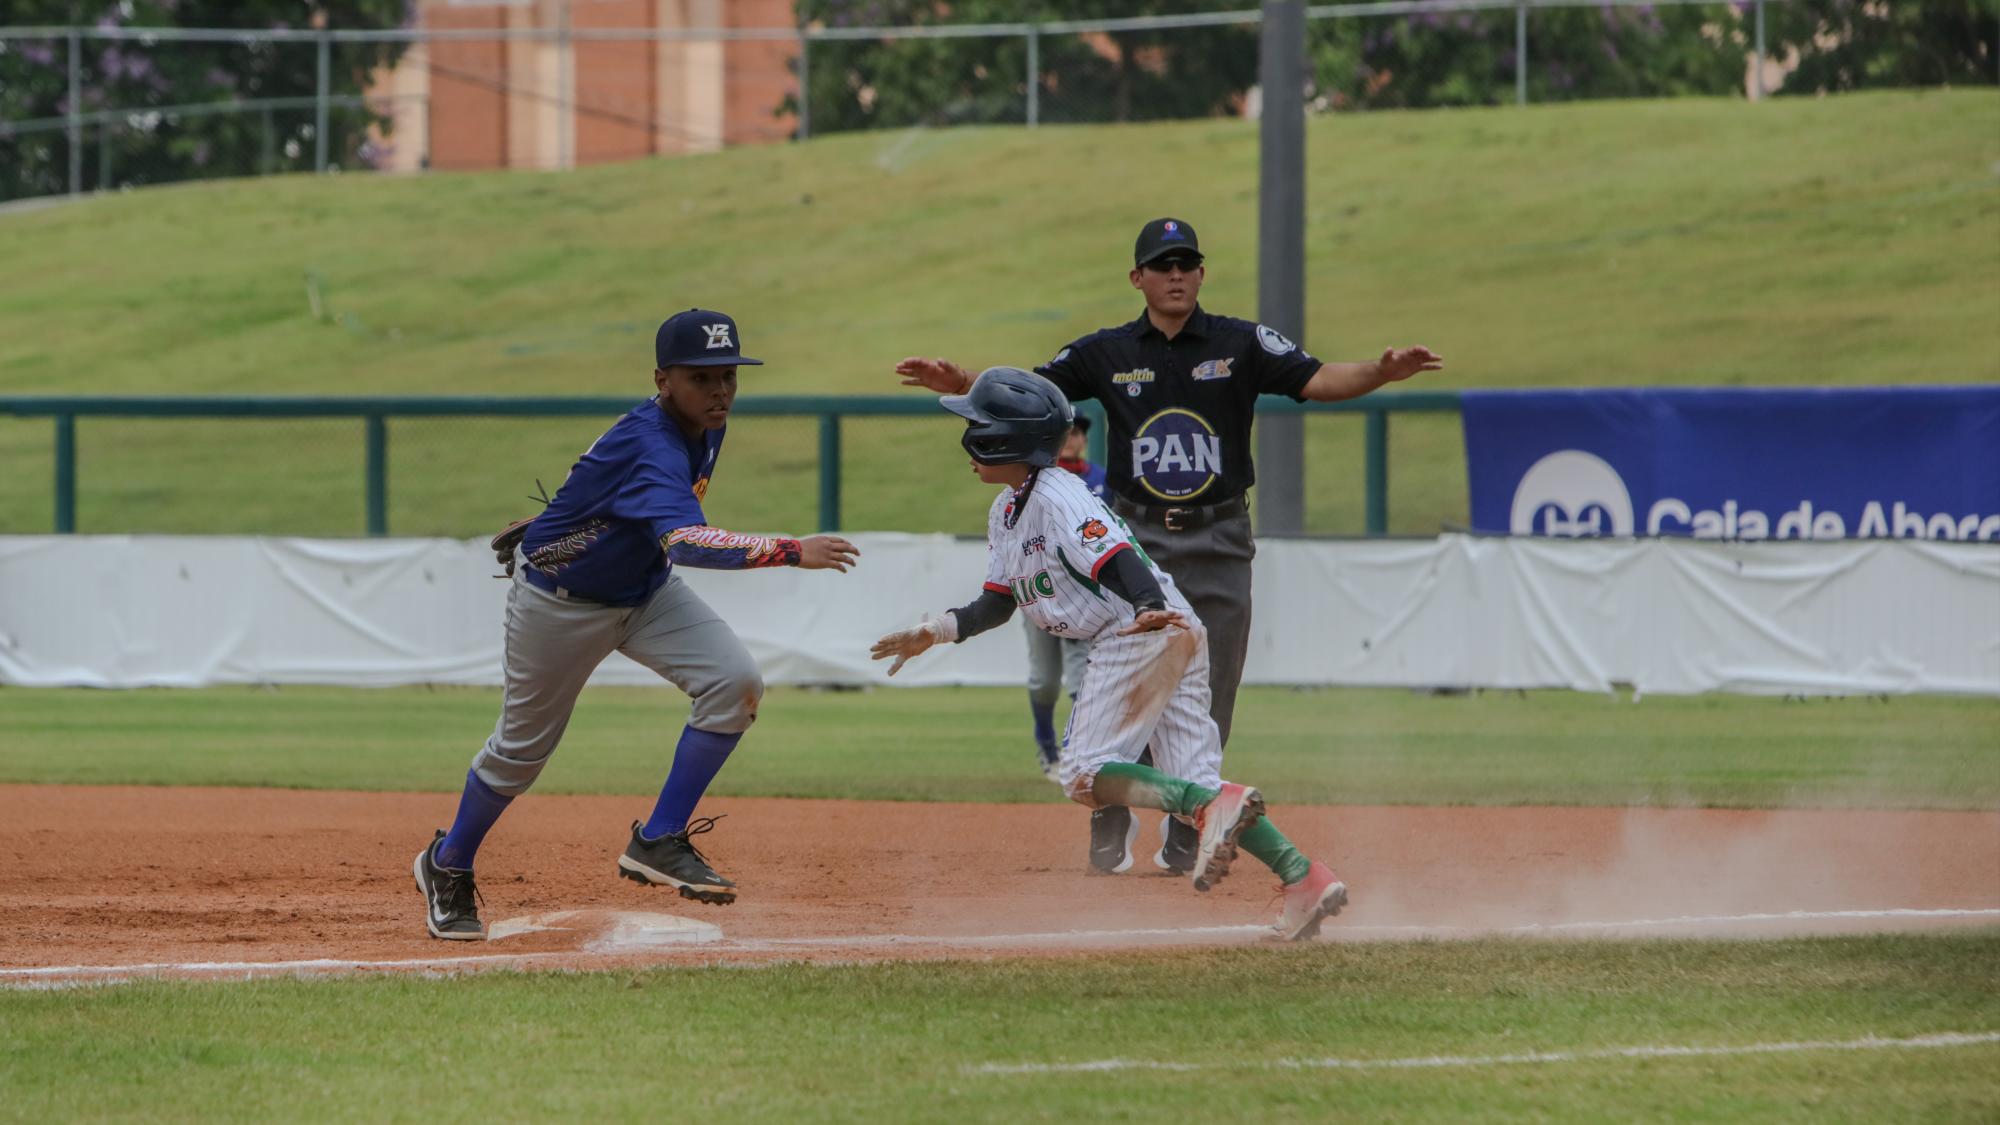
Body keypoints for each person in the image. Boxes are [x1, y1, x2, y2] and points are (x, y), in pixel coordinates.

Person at [896, 217, 1441, 876]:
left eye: (1187, 262)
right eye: (1162, 264)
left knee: (1210, 693)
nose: (1176, 274)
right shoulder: (1108, 351)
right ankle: (1112, 819)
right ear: (1138, 278)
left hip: (1217, 536)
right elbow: (1027, 398)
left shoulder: (1241, 343)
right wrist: (963, 383)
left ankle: (1191, 830)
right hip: (1134, 530)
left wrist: (1379, 372)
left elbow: (1319, 380)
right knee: (1116, 682)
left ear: (1202, 272)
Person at [413, 308, 860, 941]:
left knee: (735, 681)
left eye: (728, 375)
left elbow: (646, 523)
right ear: (662, 379)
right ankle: (447, 862)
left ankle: (658, 839)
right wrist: (790, 549)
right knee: (521, 753)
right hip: (560, 606)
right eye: (701, 377)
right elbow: (686, 541)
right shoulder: (653, 440)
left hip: (646, 593)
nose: (720, 390)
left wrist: (578, 523)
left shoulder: (703, 422)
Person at [870, 366, 1349, 941]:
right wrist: (936, 631)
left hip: (1137, 627)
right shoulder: (1007, 510)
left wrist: (1146, 604)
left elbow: (1115, 554)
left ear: (1005, 438)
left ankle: (1217, 812)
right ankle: (1304, 876)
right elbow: (997, 603)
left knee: (1083, 774)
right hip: (1167, 627)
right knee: (1193, 784)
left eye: (978, 424)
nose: (968, 436)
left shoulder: (1058, 494)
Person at [1024, 416, 1104, 779]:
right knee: (1044, 679)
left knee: (1080, 676)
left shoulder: (1100, 481)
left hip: (1084, 595)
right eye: (1067, 432)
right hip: (1040, 592)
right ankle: (1046, 745)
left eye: (1078, 432)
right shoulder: (1033, 482)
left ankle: (1076, 751)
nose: (1073, 439)